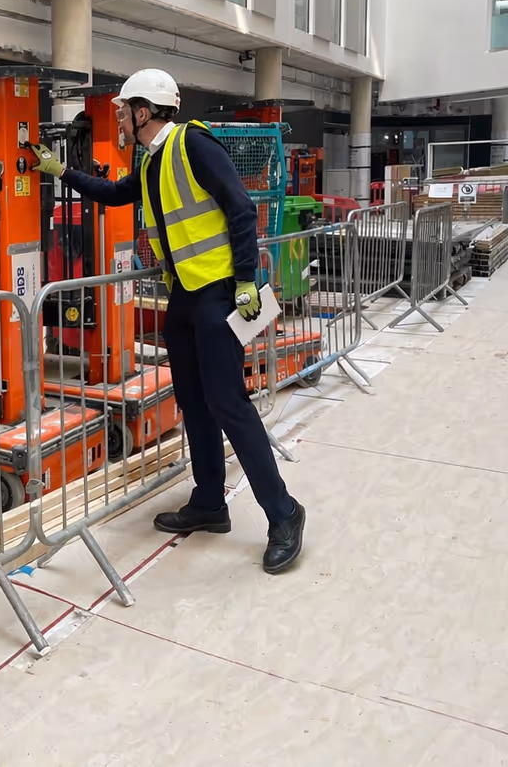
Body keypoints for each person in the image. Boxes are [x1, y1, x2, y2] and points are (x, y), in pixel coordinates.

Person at [30, 69, 305, 574]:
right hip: (184, 297)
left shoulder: (193, 144)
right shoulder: (153, 161)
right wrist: (60, 172)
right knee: (193, 403)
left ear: (143, 111)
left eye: (122, 111)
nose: (117, 120)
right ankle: (208, 502)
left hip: (219, 293)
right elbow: (116, 194)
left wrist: (246, 278)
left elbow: (241, 210)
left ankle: (284, 513)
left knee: (228, 404)